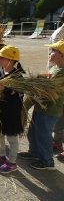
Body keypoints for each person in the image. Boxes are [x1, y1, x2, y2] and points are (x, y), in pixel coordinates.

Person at [19, 40, 64, 168]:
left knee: (43, 135)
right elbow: (48, 79)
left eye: (54, 51)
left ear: (62, 55)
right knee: (33, 132)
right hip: (41, 107)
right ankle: (34, 152)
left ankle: (47, 161)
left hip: (50, 110)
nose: (50, 52)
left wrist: (35, 86)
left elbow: (50, 90)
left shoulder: (62, 73)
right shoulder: (55, 68)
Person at [0, 45, 25, 174]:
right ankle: (2, 156)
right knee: (0, 134)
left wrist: (5, 89)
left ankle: (12, 162)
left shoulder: (18, 77)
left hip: (11, 112)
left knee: (12, 138)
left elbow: (19, 93)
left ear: (11, 60)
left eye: (2, 58)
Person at [50, 11, 64, 152]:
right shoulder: (60, 33)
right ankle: (57, 142)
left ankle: (57, 142)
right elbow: (54, 55)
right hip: (59, 73)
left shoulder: (58, 32)